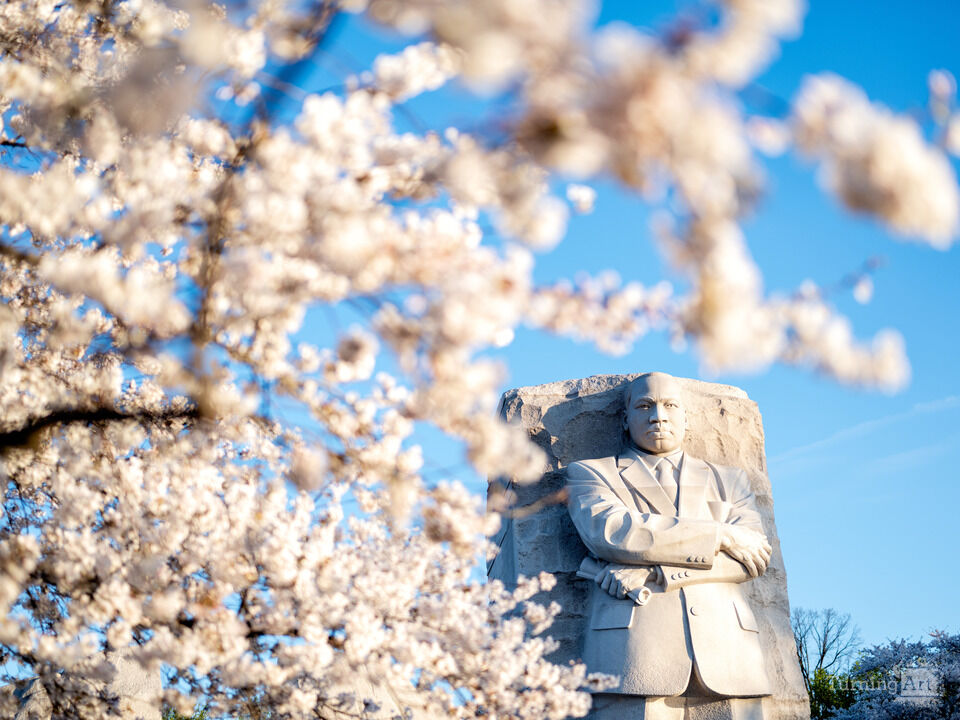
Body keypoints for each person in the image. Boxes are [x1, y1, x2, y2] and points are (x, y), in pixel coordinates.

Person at [565, 372, 773, 720]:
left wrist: (653, 573)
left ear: (686, 418)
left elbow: (751, 560)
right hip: (633, 655)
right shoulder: (591, 474)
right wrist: (719, 535)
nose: (658, 415)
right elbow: (614, 532)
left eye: (670, 405)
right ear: (625, 419)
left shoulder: (730, 480)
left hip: (732, 652)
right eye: (645, 405)